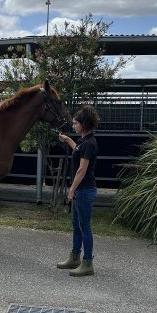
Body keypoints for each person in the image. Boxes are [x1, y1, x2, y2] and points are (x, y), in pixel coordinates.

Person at [56, 105, 99, 276]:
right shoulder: (83, 141)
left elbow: (82, 169)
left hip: (84, 190)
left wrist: (72, 189)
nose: (73, 126)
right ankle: (74, 257)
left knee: (85, 226)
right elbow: (77, 150)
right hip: (80, 190)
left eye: (75, 123)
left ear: (84, 124)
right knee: (76, 225)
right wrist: (68, 140)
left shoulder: (90, 143)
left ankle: (87, 263)